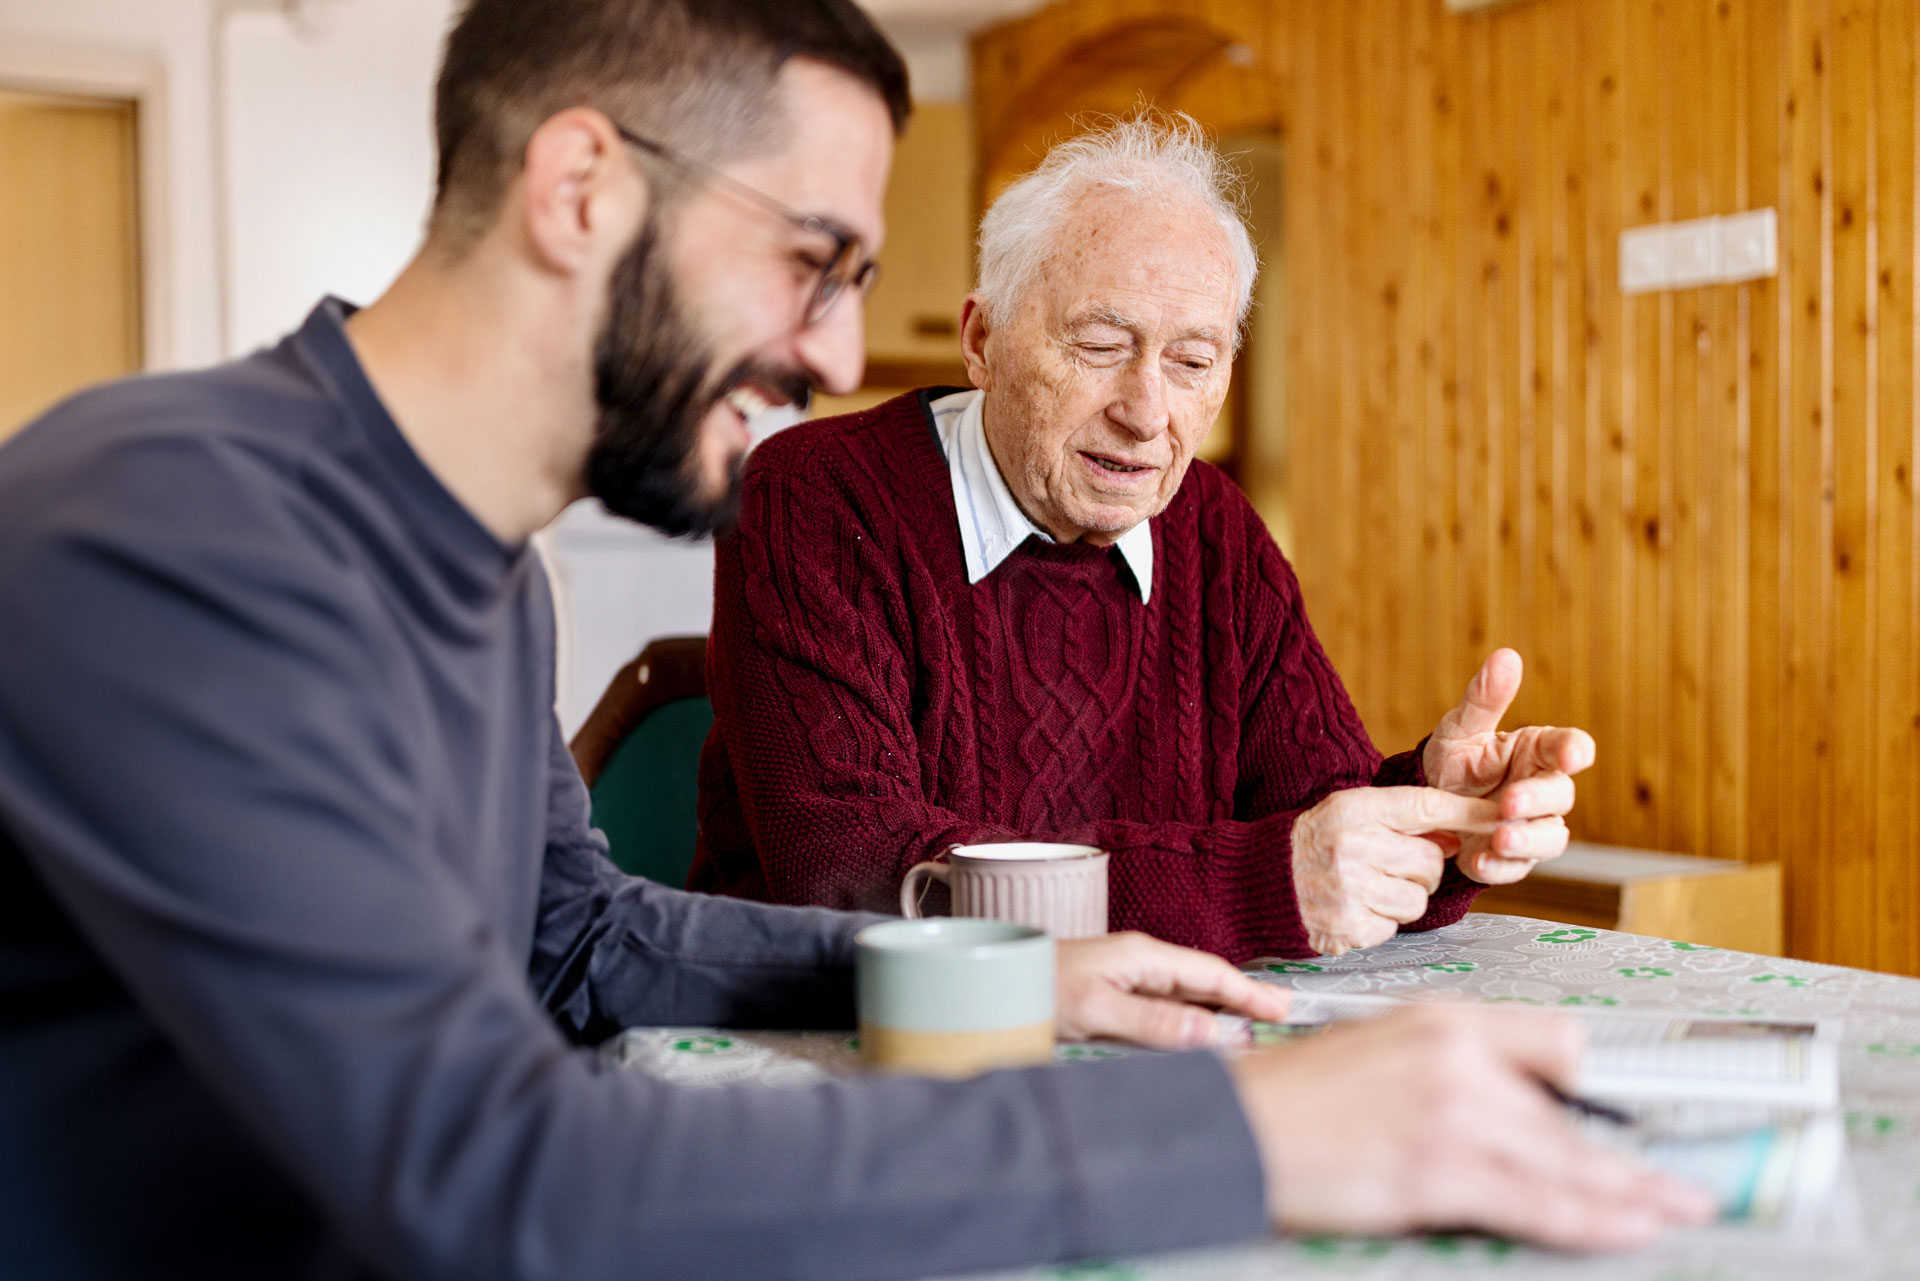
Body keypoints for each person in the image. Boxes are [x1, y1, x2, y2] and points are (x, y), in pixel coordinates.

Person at [0, 2, 1710, 1278]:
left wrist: (1012, 966)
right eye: (812, 264)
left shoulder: (489, 572)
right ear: (584, 187)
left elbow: (578, 942)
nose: (836, 356)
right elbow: (479, 1171)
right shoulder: (172, 521)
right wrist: (1238, 1131)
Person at [690, 115, 1594, 962]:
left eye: (1193, 362)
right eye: (1099, 345)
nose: (1146, 413)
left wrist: (1435, 817)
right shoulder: (813, 495)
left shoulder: (1215, 527)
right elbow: (852, 868)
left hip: (1141, 1043)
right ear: (982, 338)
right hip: (849, 1047)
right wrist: (1258, 882)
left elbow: (1314, 817)